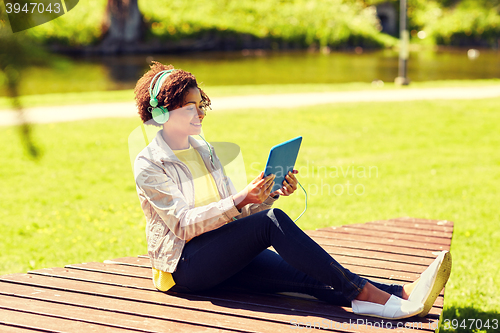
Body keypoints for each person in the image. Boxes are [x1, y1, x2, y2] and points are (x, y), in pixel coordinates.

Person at [133, 62, 452, 320]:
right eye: (190, 107)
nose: (201, 113)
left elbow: (236, 214)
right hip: (183, 269)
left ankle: (400, 294)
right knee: (271, 222)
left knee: (308, 277)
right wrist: (243, 197)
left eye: (202, 104)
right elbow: (184, 224)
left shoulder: (204, 149)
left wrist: (267, 193)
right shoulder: (150, 164)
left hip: (221, 254)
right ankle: (371, 297)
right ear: (162, 113)